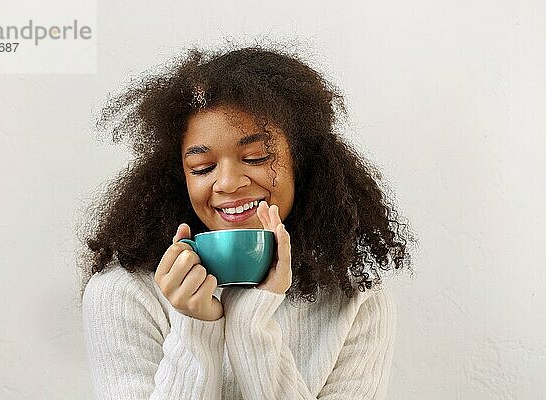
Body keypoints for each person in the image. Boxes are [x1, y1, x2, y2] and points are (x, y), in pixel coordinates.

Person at [78, 44, 417, 399]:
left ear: (303, 165)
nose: (226, 183)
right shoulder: (123, 292)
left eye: (255, 158)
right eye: (202, 168)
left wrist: (250, 324)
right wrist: (195, 328)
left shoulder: (356, 300)